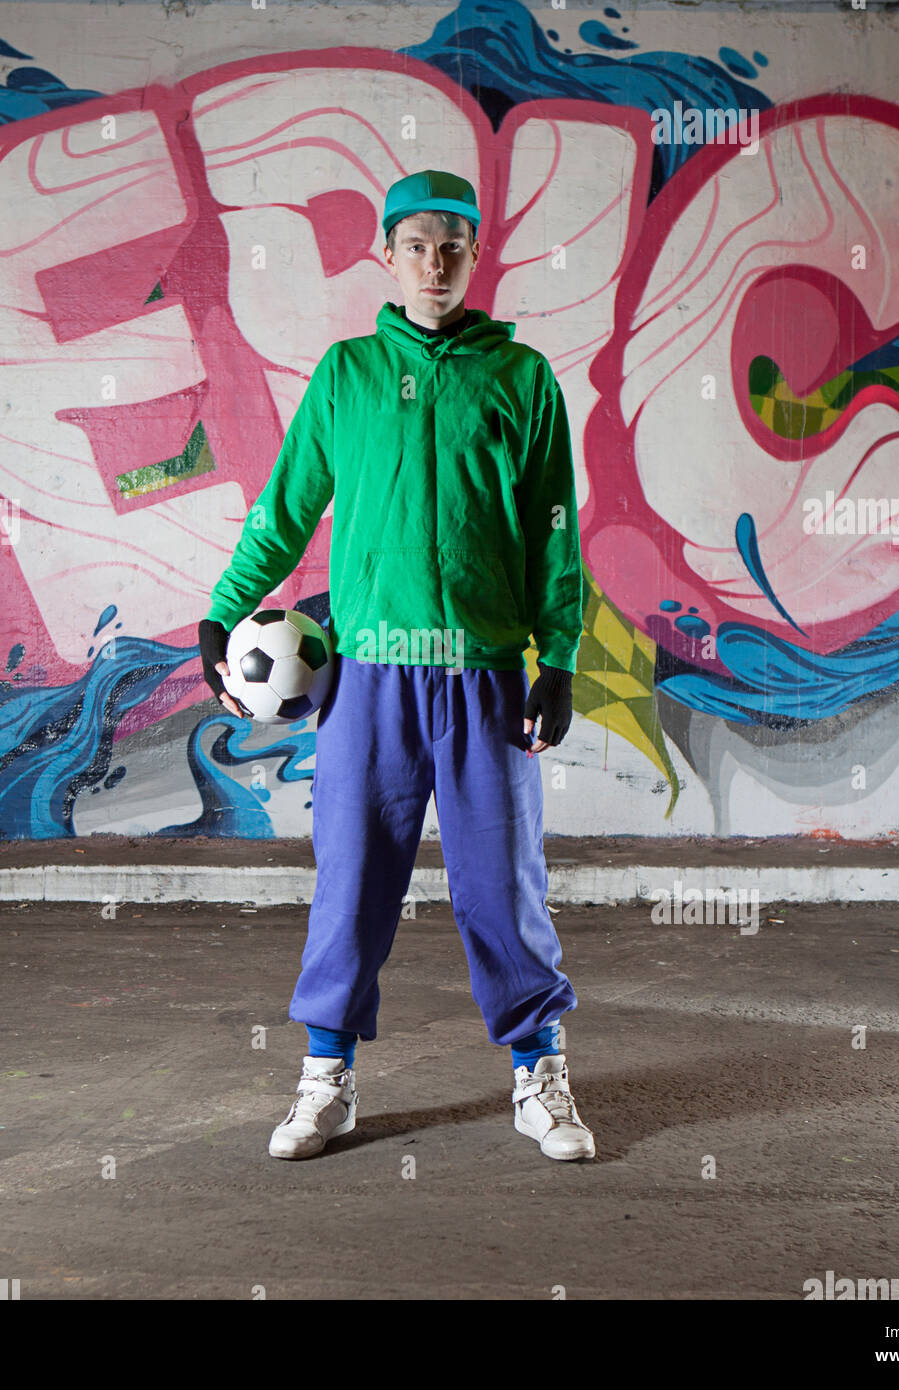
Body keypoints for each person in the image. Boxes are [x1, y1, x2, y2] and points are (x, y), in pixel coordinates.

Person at [199, 169, 593, 1161]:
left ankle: (537, 1076)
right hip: (367, 679)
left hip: (485, 673)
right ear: (384, 255)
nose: (434, 261)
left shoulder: (521, 379)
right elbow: (284, 508)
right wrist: (223, 609)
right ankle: (326, 1080)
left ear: (475, 253)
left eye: (453, 243)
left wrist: (562, 657)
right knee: (352, 883)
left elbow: (554, 535)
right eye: (415, 243)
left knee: (502, 887)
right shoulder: (346, 376)